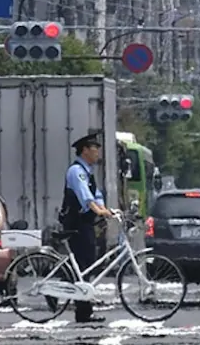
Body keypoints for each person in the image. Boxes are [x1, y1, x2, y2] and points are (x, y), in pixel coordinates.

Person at [60, 132, 113, 323]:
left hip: (85, 223)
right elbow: (85, 196)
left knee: (88, 263)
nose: (97, 152)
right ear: (84, 151)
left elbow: (96, 194)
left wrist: (106, 210)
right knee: (83, 265)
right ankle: (82, 310)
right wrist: (98, 211)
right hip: (76, 223)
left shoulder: (88, 171)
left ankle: (83, 309)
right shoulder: (76, 171)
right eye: (94, 148)